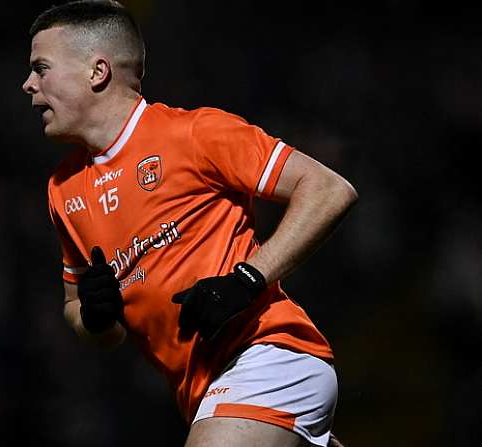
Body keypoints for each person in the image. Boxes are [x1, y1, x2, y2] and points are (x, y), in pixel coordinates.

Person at [21, 1, 357, 446]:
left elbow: (329, 189)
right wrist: (95, 319)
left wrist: (247, 280)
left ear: (97, 71)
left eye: (41, 68)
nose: (28, 85)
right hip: (200, 392)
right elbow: (76, 309)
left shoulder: (195, 133)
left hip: (267, 353)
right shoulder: (62, 190)